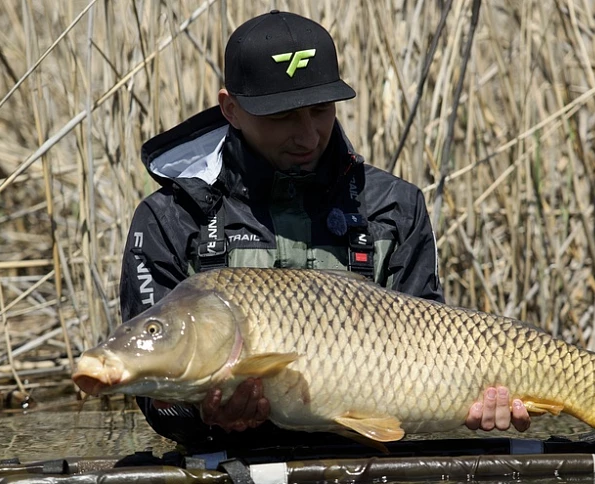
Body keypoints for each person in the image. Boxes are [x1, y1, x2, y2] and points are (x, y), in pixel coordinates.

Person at [118, 10, 529, 452]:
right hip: (229, 463)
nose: (308, 135)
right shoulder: (171, 218)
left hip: (370, 460)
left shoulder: (394, 206)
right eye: (282, 117)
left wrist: (480, 399)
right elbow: (152, 389)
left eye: (321, 111)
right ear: (230, 109)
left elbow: (428, 351)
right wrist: (203, 415)